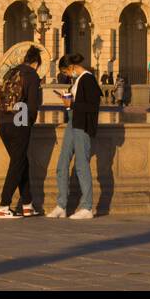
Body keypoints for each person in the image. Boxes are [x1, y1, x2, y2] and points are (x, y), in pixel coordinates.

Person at [48, 53, 100, 220]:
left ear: (71, 67)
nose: (67, 75)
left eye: (66, 72)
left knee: (81, 164)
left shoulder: (88, 79)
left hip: (82, 125)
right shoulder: (77, 81)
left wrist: (72, 104)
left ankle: (87, 206)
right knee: (62, 163)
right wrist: (68, 102)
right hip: (73, 122)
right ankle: (61, 205)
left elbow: (93, 106)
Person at [0, 46, 44, 219]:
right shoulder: (32, 75)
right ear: (36, 63)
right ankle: (4, 205)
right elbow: (32, 105)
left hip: (3, 122)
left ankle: (27, 205)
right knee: (17, 164)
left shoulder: (12, 72)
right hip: (19, 122)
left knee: (21, 161)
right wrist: (28, 123)